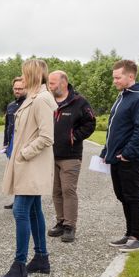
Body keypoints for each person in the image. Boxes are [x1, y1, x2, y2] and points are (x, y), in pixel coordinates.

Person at [0, 59, 56, 277]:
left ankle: (19, 265)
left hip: (31, 164)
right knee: (33, 211)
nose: (21, 78)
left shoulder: (41, 100)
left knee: (21, 211)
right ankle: (41, 257)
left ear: (32, 75)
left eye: (24, 74)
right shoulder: (33, 98)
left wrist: (23, 153)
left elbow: (46, 136)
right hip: (28, 164)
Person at [102, 60, 139, 252]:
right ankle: (129, 233)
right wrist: (105, 151)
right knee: (122, 195)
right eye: (114, 77)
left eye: (117, 77)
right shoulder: (123, 96)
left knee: (132, 196)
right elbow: (114, 128)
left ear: (130, 76)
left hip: (130, 158)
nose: (114, 80)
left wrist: (127, 153)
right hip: (117, 156)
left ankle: (137, 237)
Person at [46, 71, 96, 243]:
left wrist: (73, 137)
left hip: (70, 155)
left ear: (64, 83)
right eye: (49, 83)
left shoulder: (79, 102)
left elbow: (90, 123)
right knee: (56, 191)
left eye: (53, 83)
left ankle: (70, 225)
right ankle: (60, 221)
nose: (50, 86)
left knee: (68, 190)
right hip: (51, 154)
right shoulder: (48, 101)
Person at [2, 77, 26, 210]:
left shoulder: (29, 104)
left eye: (20, 88)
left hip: (23, 144)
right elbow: (7, 126)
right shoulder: (11, 105)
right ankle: (17, 199)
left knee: (22, 172)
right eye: (15, 88)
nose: (17, 91)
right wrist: (5, 143)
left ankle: (22, 201)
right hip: (11, 143)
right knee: (14, 173)